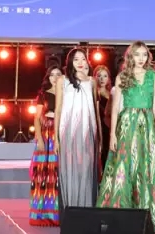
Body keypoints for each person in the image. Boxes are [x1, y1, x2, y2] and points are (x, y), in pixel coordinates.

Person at [97, 41, 155, 232]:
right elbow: (115, 108)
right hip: (127, 124)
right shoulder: (122, 76)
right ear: (130, 56)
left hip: (147, 124)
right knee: (126, 165)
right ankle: (122, 217)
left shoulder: (152, 76)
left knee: (149, 165)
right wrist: (112, 135)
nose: (141, 58)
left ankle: (152, 215)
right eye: (137, 54)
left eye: (144, 55)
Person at [54, 48, 100, 211]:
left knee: (86, 169)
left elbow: (96, 111)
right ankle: (70, 210)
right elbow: (58, 109)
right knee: (69, 169)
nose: (80, 63)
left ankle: (86, 211)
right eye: (76, 59)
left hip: (88, 131)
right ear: (70, 62)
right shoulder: (63, 80)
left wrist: (99, 137)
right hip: (68, 131)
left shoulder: (92, 81)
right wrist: (56, 138)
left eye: (83, 59)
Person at [29, 65, 63, 226]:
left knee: (58, 173)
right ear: (48, 77)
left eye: (58, 74)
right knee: (43, 173)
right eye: (52, 75)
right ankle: (42, 214)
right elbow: (36, 118)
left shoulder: (67, 93)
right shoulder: (43, 94)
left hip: (63, 132)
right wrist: (39, 139)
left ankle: (57, 213)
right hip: (47, 134)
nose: (55, 77)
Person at [94, 65, 112, 171]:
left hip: (110, 127)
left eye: (105, 76)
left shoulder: (112, 93)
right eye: (99, 76)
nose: (102, 79)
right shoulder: (94, 94)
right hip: (99, 127)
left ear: (109, 78)